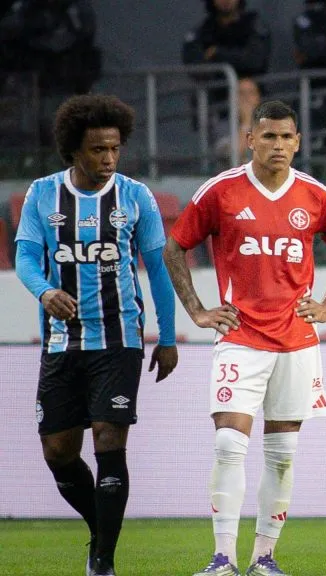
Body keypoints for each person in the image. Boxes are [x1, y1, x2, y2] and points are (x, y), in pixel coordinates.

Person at [164, 100, 326, 576]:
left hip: (295, 340)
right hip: (240, 335)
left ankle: (263, 558)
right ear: (250, 139)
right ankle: (223, 557)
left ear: (297, 141)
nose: (278, 146)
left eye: (287, 137)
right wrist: (196, 309)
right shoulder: (222, 192)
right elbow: (175, 247)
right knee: (229, 443)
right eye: (268, 136)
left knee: (283, 455)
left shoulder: (316, 195)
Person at [14, 94, 179, 576]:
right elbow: (25, 257)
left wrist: (166, 337)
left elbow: (159, 268)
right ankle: (100, 529)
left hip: (119, 339)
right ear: (72, 150)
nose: (108, 159)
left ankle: (103, 560)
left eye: (114, 149)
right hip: (62, 343)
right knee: (59, 451)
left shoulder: (135, 196)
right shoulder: (42, 195)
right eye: (96, 150)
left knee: (109, 439)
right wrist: (45, 292)